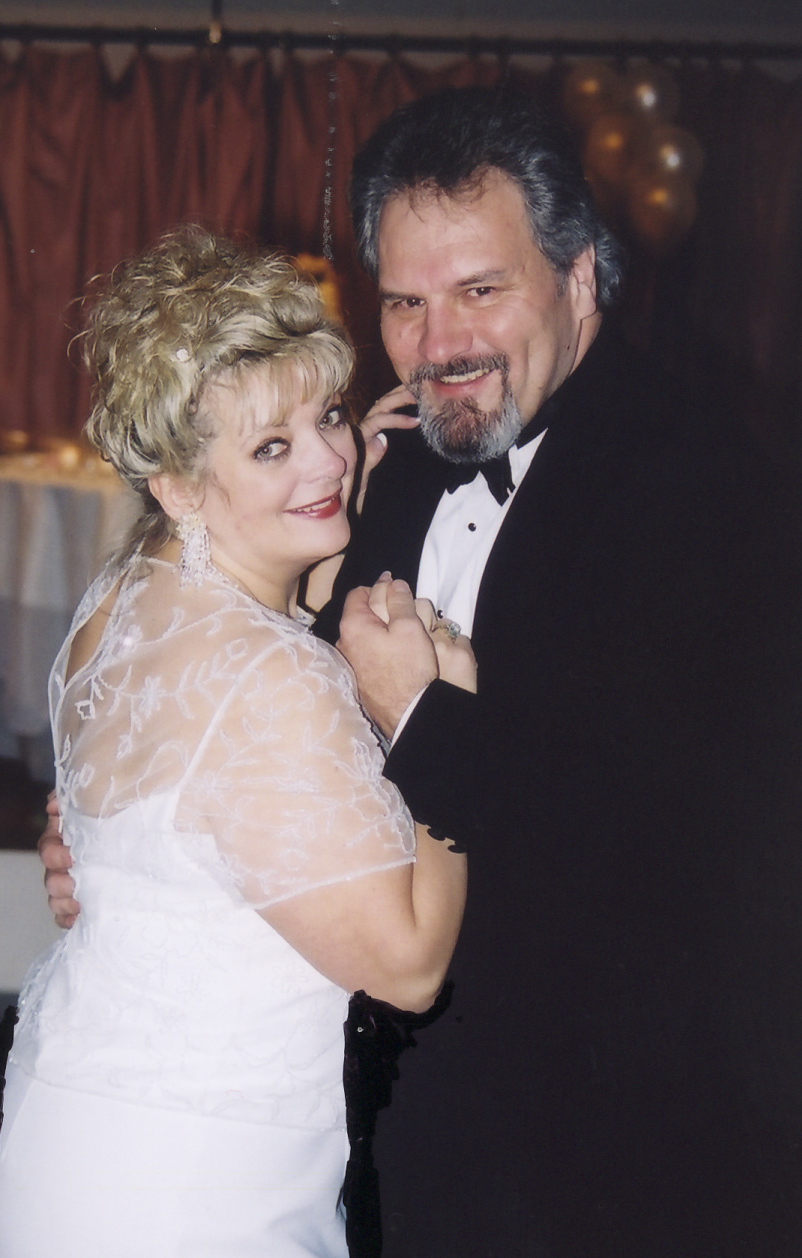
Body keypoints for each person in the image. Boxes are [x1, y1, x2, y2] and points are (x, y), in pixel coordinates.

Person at [42, 88, 802, 1256]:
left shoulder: (712, 496)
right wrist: (146, 838)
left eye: (480, 291)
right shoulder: (383, 461)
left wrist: (426, 718)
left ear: (580, 277)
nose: (439, 343)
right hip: (372, 1138)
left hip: (587, 1151)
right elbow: (256, 728)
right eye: (405, 301)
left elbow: (673, 858)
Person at [0, 226, 467, 1258]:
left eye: (328, 414)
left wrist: (303, 520)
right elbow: (409, 966)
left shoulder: (115, 604)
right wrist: (438, 712)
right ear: (175, 483)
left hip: (72, 1130)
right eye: (270, 447)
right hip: (204, 1187)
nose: (332, 457)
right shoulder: (269, 675)